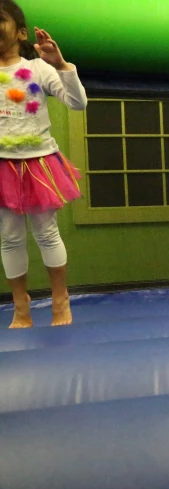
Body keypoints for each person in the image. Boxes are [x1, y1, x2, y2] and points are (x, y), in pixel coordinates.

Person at [0, 0, 87, 328]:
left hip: (38, 164)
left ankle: (60, 300)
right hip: (2, 167)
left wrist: (61, 64)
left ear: (21, 32)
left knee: (46, 233)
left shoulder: (38, 69)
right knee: (9, 237)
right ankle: (20, 306)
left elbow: (78, 103)